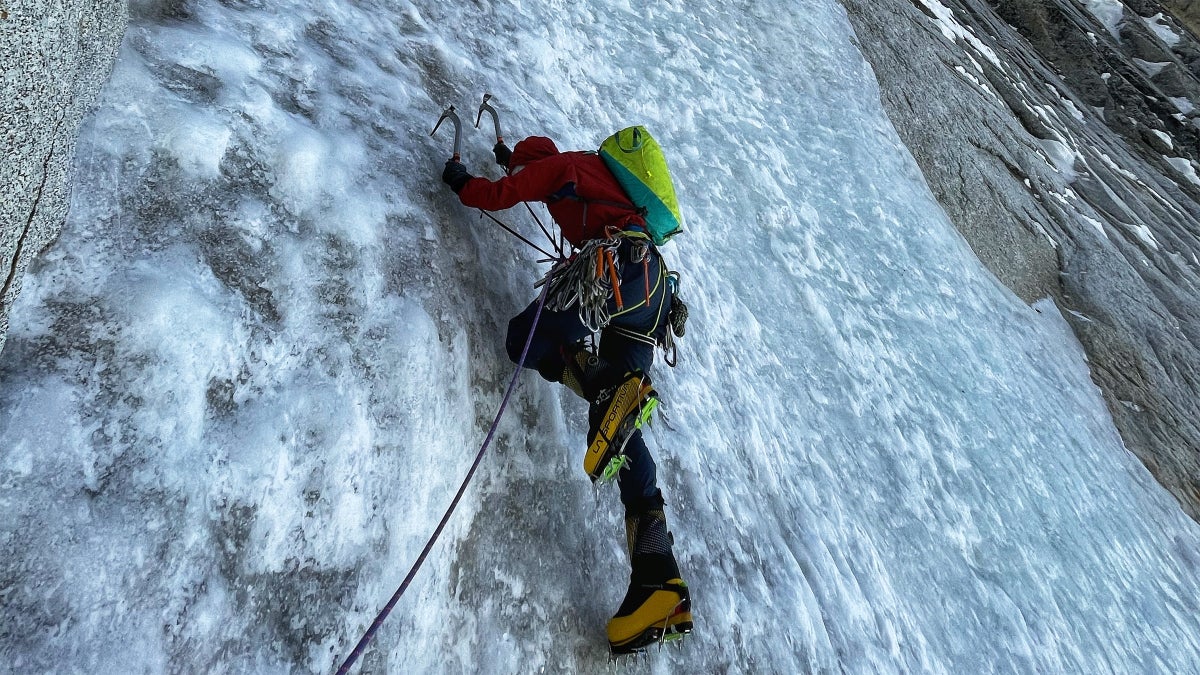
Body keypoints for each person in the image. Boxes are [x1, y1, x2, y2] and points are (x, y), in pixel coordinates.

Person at [440, 136, 692, 653]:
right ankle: (658, 578)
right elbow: (523, 173)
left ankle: (606, 384)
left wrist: (463, 182)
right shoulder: (604, 184)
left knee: (523, 339)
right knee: (619, 426)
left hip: (617, 272)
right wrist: (512, 158)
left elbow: (503, 192)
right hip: (653, 290)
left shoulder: (568, 167)